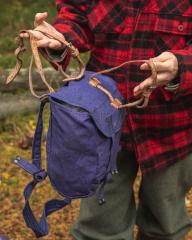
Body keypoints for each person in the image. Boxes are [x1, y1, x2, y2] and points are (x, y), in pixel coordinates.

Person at [20, 1, 192, 239]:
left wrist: (183, 65)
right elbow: (76, 16)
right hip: (101, 128)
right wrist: (61, 39)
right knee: (99, 228)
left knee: (165, 227)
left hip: (172, 130)